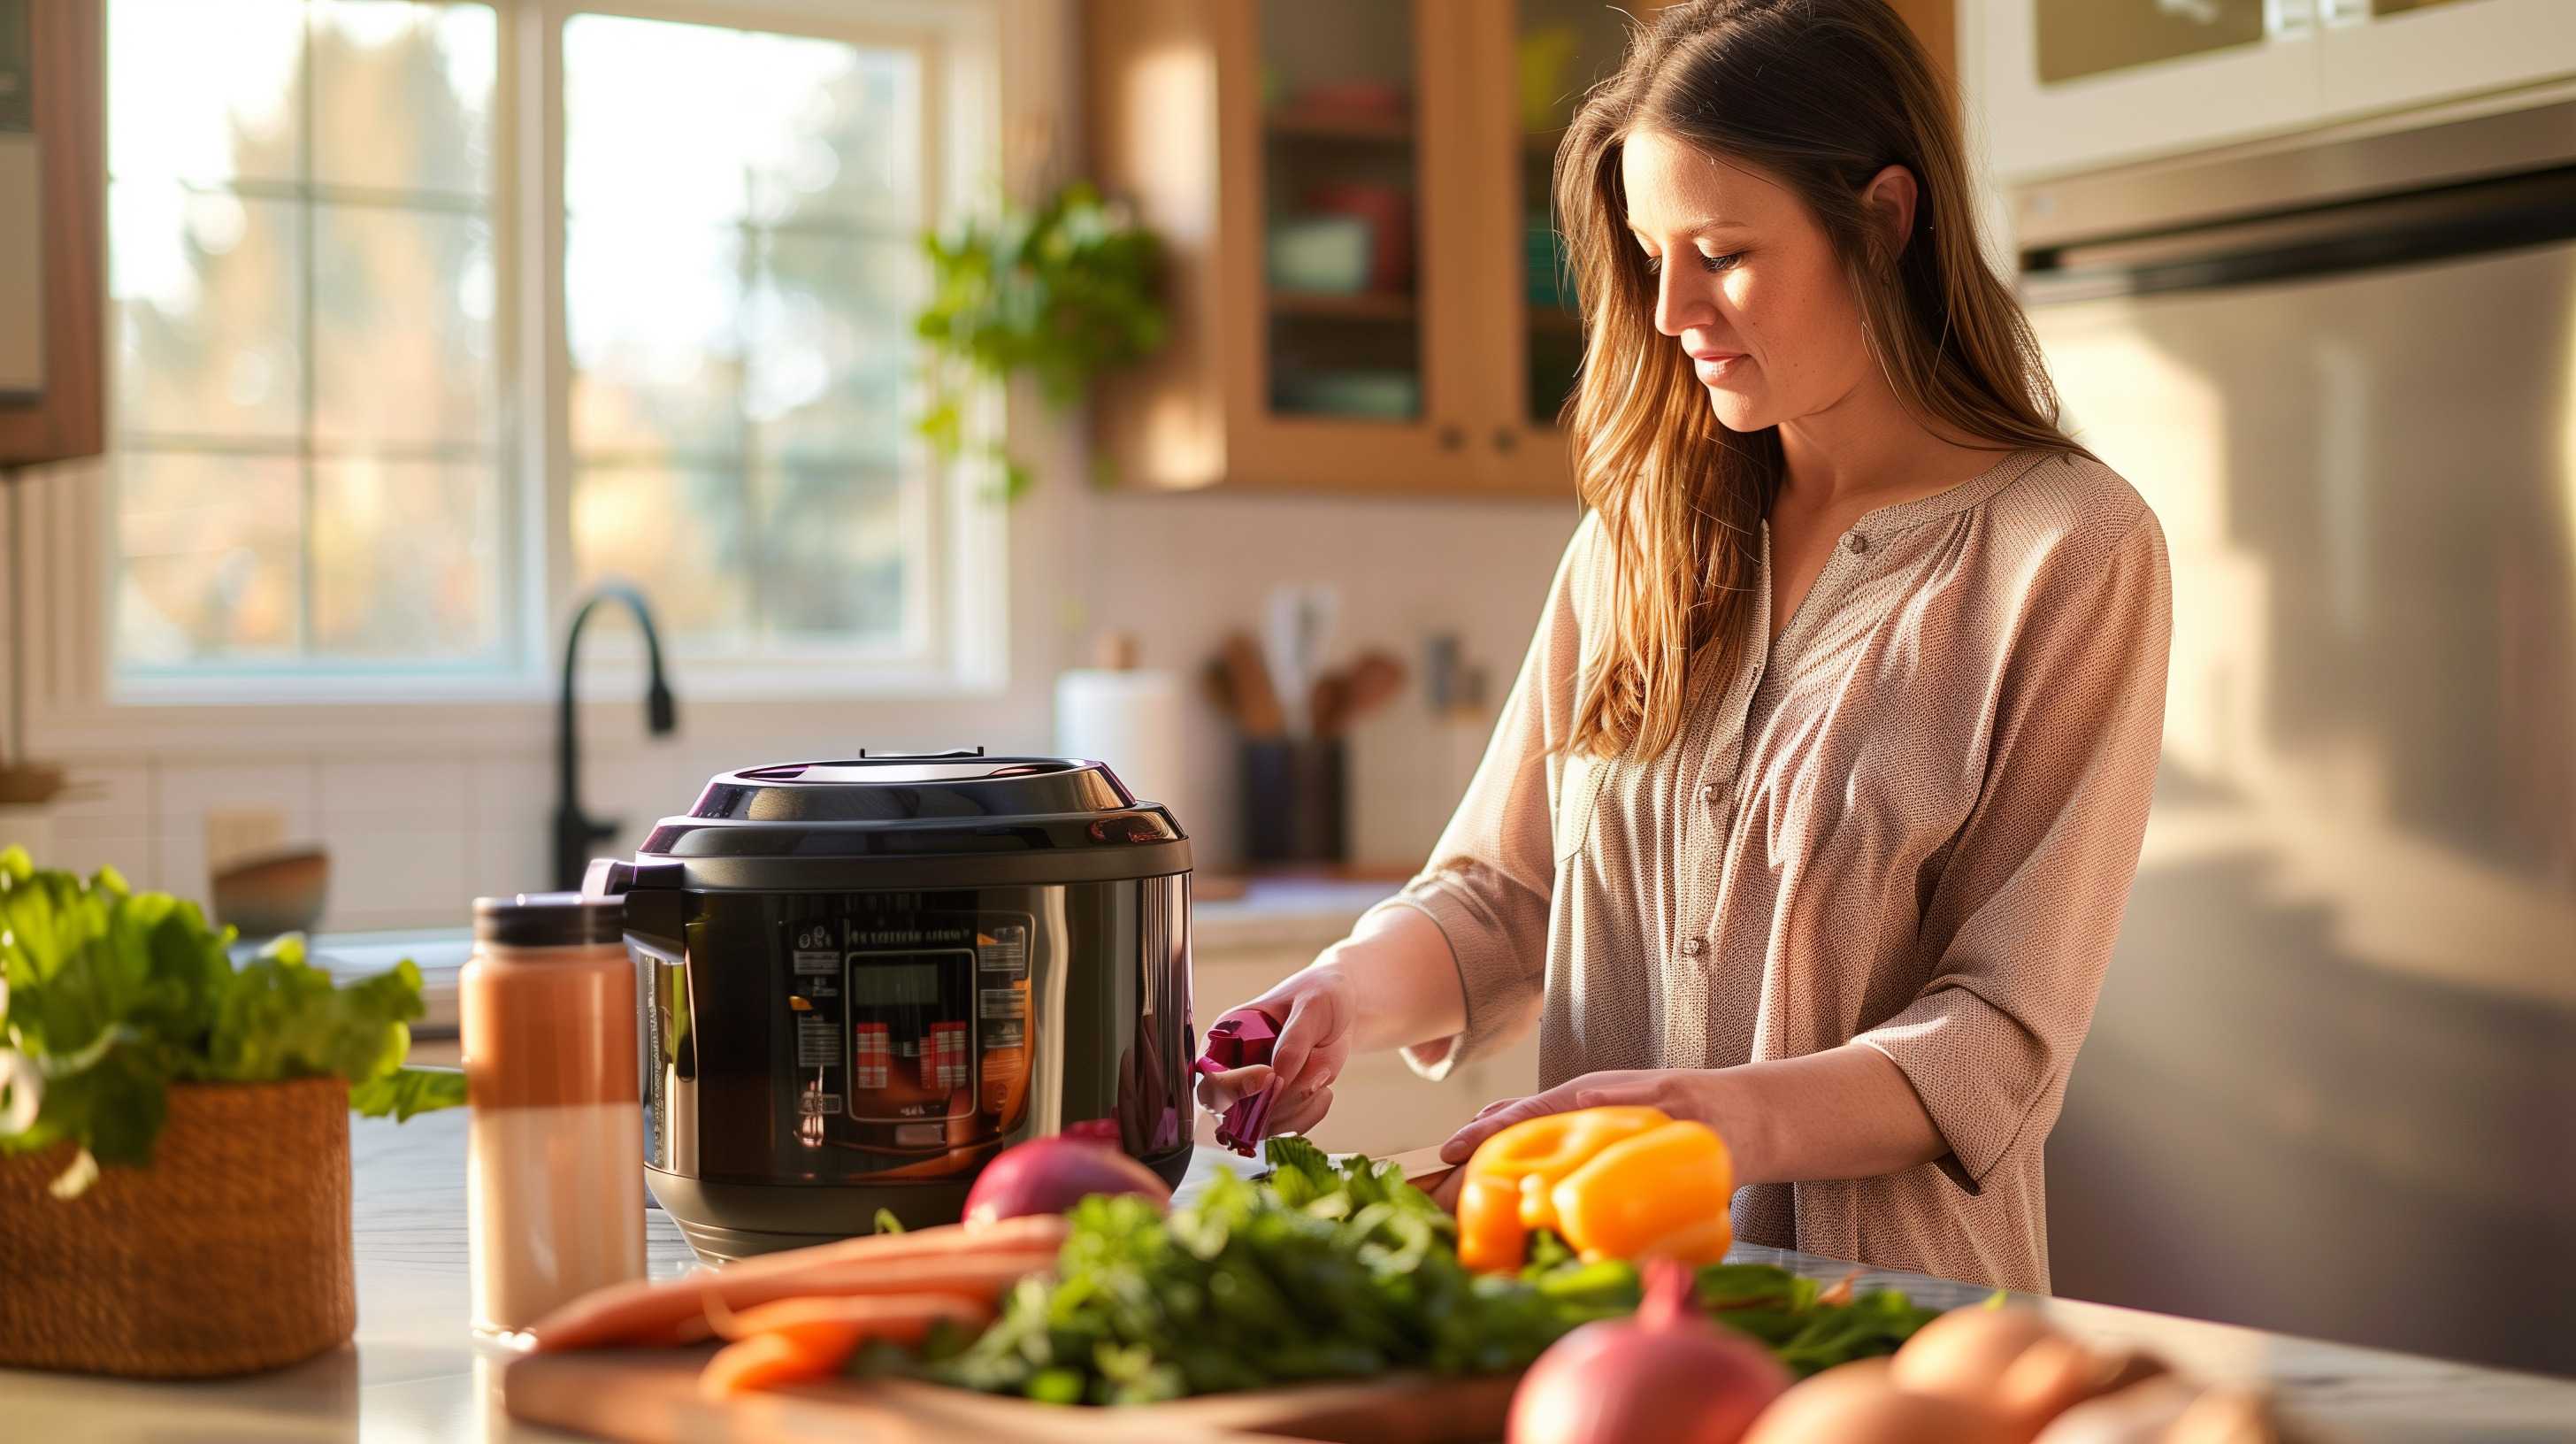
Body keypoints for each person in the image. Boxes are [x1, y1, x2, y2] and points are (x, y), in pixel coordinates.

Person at [1196, 0, 2172, 1294]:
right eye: (1653, 255)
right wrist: (1339, 997)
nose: (1671, 310)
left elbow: (1999, 1039)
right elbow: (1504, 898)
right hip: (1592, 1309)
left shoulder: (2067, 549)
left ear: (1884, 219)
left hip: (1886, 1332)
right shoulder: (1638, 540)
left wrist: (1714, 1120)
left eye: (1721, 252)